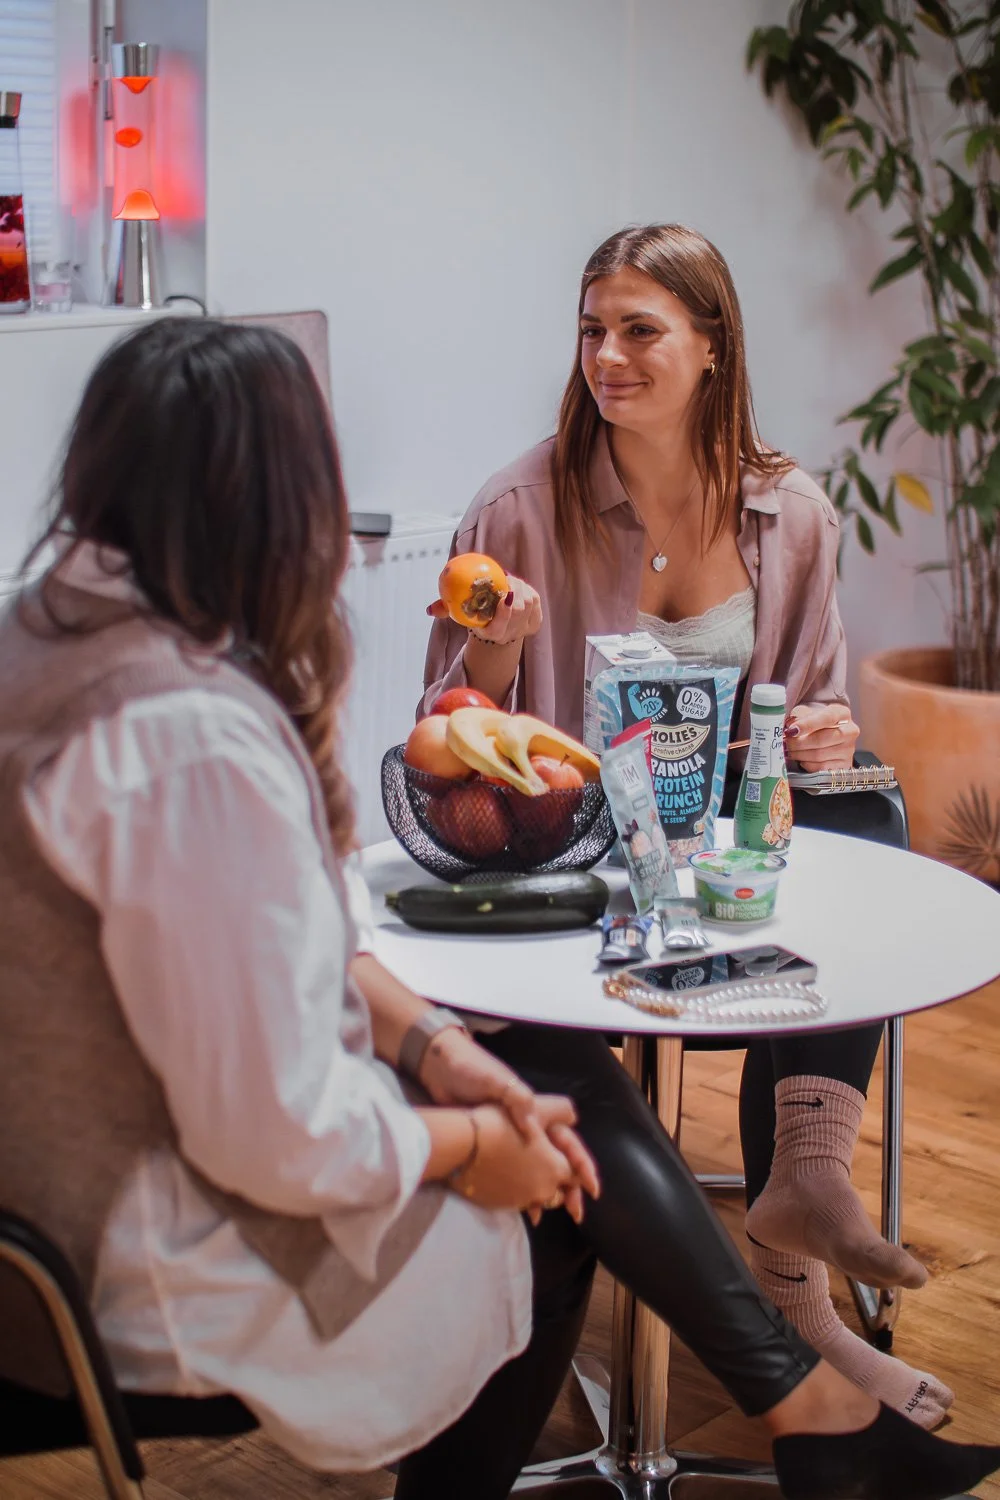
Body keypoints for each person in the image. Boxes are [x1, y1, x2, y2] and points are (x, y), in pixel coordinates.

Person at [1, 318, 995, 1500]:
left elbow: (282, 947)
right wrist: (481, 1149)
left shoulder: (47, 638)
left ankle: (807, 1407)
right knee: (558, 1187)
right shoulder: (189, 738)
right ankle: (804, 1415)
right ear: (274, 500)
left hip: (41, 1192)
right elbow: (272, 1134)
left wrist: (439, 1053)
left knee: (548, 1078)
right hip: (103, 1261)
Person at [423, 223, 948, 1426]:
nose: (605, 355)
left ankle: (803, 1199)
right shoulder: (513, 508)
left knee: (859, 805)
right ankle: (781, 1299)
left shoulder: (792, 514)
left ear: (712, 349)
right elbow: (446, 749)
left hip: (729, 863)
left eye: (639, 330)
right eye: (590, 330)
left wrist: (822, 729)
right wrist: (496, 653)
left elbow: (813, 711)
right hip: (578, 861)